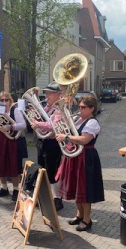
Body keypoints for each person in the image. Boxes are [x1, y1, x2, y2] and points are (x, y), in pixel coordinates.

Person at [55, 94, 104, 231]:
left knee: (85, 189)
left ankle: (87, 220)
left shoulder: (92, 123)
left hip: (86, 157)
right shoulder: (77, 119)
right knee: (77, 187)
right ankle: (79, 215)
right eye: (79, 107)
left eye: (83, 107)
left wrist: (66, 137)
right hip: (75, 156)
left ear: (92, 108)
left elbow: (84, 139)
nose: (80, 110)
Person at [0, 91, 28, 201]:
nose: (4, 102)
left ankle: (16, 189)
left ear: (10, 101)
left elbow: (23, 125)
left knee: (13, 166)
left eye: (6, 100)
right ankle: (4, 188)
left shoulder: (15, 110)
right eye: (2, 100)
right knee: (0, 165)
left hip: (11, 141)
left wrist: (10, 127)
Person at [30, 82, 64, 211]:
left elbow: (54, 126)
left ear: (57, 94)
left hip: (53, 143)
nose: (46, 96)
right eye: (46, 93)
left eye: (49, 93)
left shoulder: (59, 108)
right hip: (43, 142)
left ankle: (57, 199)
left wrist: (38, 124)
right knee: (42, 169)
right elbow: (41, 120)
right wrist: (34, 117)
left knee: (52, 171)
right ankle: (46, 197)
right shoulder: (48, 108)